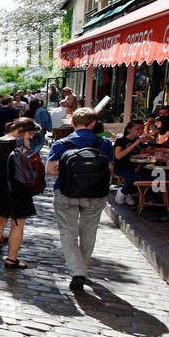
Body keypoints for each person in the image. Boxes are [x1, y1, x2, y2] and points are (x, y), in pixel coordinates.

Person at [47, 107, 114, 293]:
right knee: (89, 232)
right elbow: (109, 167)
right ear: (93, 123)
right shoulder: (104, 143)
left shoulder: (62, 144)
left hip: (66, 192)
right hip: (95, 193)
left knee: (68, 233)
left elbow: (51, 169)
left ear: (72, 123)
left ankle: (77, 271)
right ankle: (82, 269)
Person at [0, 118, 40, 270]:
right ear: (20, 130)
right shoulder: (21, 144)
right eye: (31, 133)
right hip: (18, 189)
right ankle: (11, 259)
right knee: (17, 224)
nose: (32, 137)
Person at [112, 120, 151, 205]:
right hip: (121, 167)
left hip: (135, 167)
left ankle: (128, 192)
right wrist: (135, 144)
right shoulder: (121, 141)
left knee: (150, 175)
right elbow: (118, 156)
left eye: (142, 129)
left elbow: (142, 157)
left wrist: (139, 166)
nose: (140, 131)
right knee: (137, 177)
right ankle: (123, 191)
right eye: (138, 129)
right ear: (129, 130)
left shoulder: (140, 142)